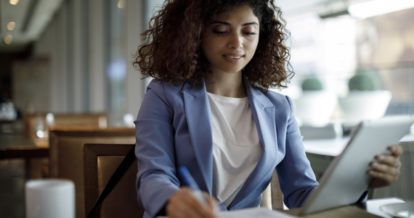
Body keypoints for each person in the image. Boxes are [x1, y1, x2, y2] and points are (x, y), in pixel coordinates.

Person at [133, 0, 403, 218]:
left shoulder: (279, 107)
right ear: (196, 33)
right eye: (220, 30)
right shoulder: (164, 94)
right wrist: (173, 200)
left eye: (248, 31)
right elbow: (154, 174)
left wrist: (360, 184)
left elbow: (302, 191)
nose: (237, 43)